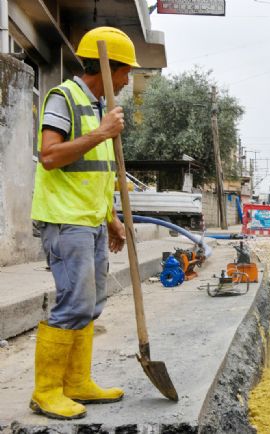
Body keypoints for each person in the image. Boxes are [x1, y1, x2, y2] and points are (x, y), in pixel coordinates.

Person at [29, 27, 139, 420]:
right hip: (65, 220)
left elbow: (97, 172)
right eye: (126, 72)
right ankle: (46, 392)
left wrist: (111, 220)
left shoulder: (98, 108)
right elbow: (50, 156)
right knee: (73, 304)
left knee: (91, 305)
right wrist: (101, 133)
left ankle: (76, 383)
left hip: (90, 221)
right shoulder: (64, 98)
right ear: (108, 69)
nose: (127, 82)